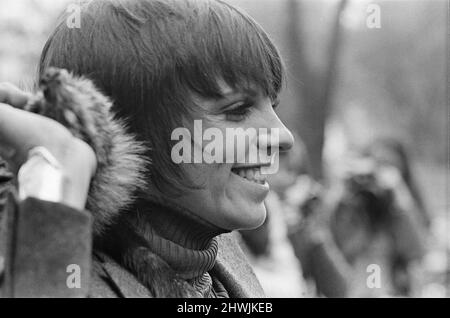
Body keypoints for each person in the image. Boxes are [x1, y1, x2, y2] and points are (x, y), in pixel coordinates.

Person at [0, 0, 294, 298]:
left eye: (272, 105)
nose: (284, 136)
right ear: (122, 133)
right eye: (237, 110)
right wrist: (53, 191)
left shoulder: (208, 258)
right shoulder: (58, 280)